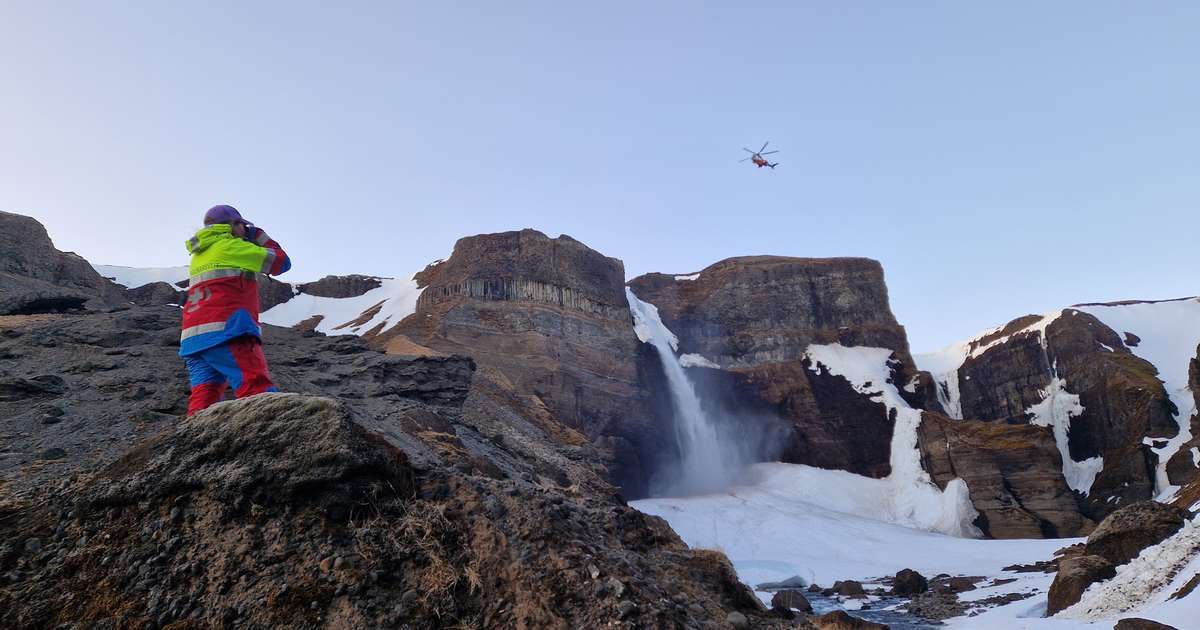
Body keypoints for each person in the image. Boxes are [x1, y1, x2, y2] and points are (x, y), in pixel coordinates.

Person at [180, 204, 291, 415]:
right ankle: (270, 442)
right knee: (256, 389)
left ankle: (195, 444)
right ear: (233, 225)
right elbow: (282, 263)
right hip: (227, 331)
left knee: (203, 402)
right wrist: (258, 235)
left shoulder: (199, 254)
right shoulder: (230, 247)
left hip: (194, 340)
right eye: (243, 225)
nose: (245, 230)